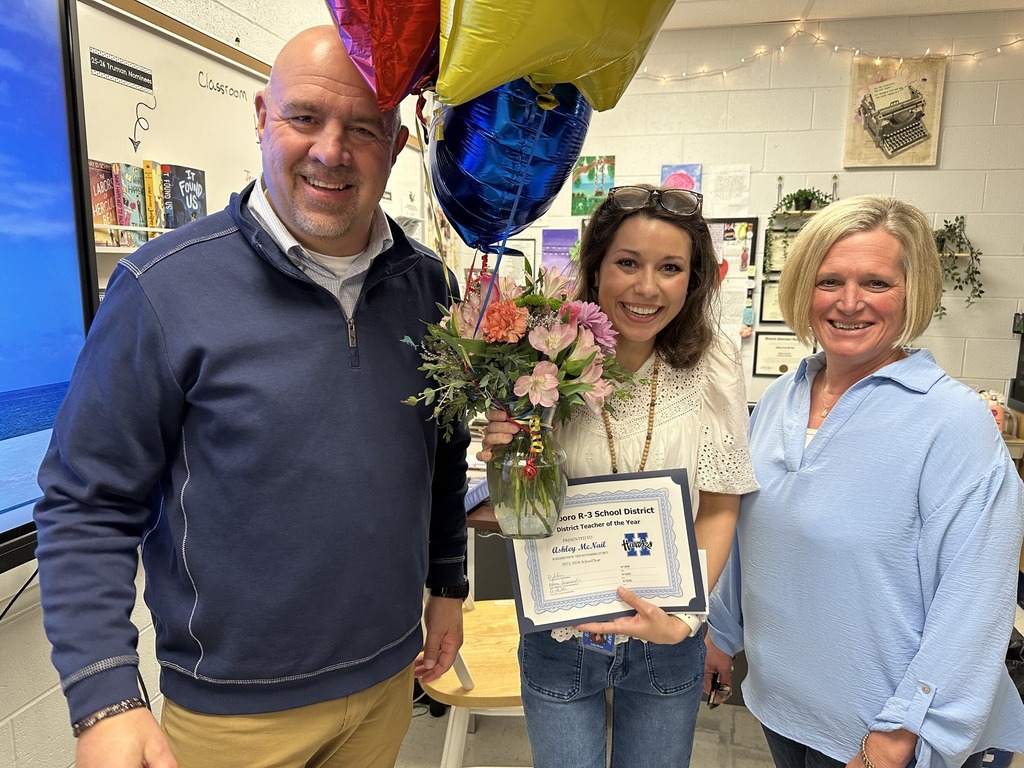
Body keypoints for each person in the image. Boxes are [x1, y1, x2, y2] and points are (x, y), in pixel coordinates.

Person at [33, 25, 470, 768]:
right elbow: (87, 501)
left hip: (387, 683)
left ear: (396, 145)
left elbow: (442, 454)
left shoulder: (427, 285)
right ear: (262, 116)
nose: (331, 150)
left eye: (363, 127)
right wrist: (104, 695)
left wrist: (447, 584)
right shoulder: (161, 288)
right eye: (305, 117)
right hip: (233, 711)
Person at [705, 195, 1024, 768]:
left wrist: (907, 729)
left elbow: (977, 599)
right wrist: (721, 633)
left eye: (876, 283)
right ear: (805, 289)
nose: (849, 303)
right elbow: (748, 535)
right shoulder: (780, 398)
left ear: (913, 293)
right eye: (829, 280)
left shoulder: (952, 421)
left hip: (887, 734)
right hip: (784, 707)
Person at [479, 184, 759, 767]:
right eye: (627, 262)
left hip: (667, 638)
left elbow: (719, 506)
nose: (646, 287)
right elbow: (520, 511)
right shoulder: (540, 357)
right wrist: (506, 456)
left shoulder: (714, 363)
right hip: (562, 633)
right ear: (596, 266)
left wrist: (683, 618)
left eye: (670, 268)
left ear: (694, 279)